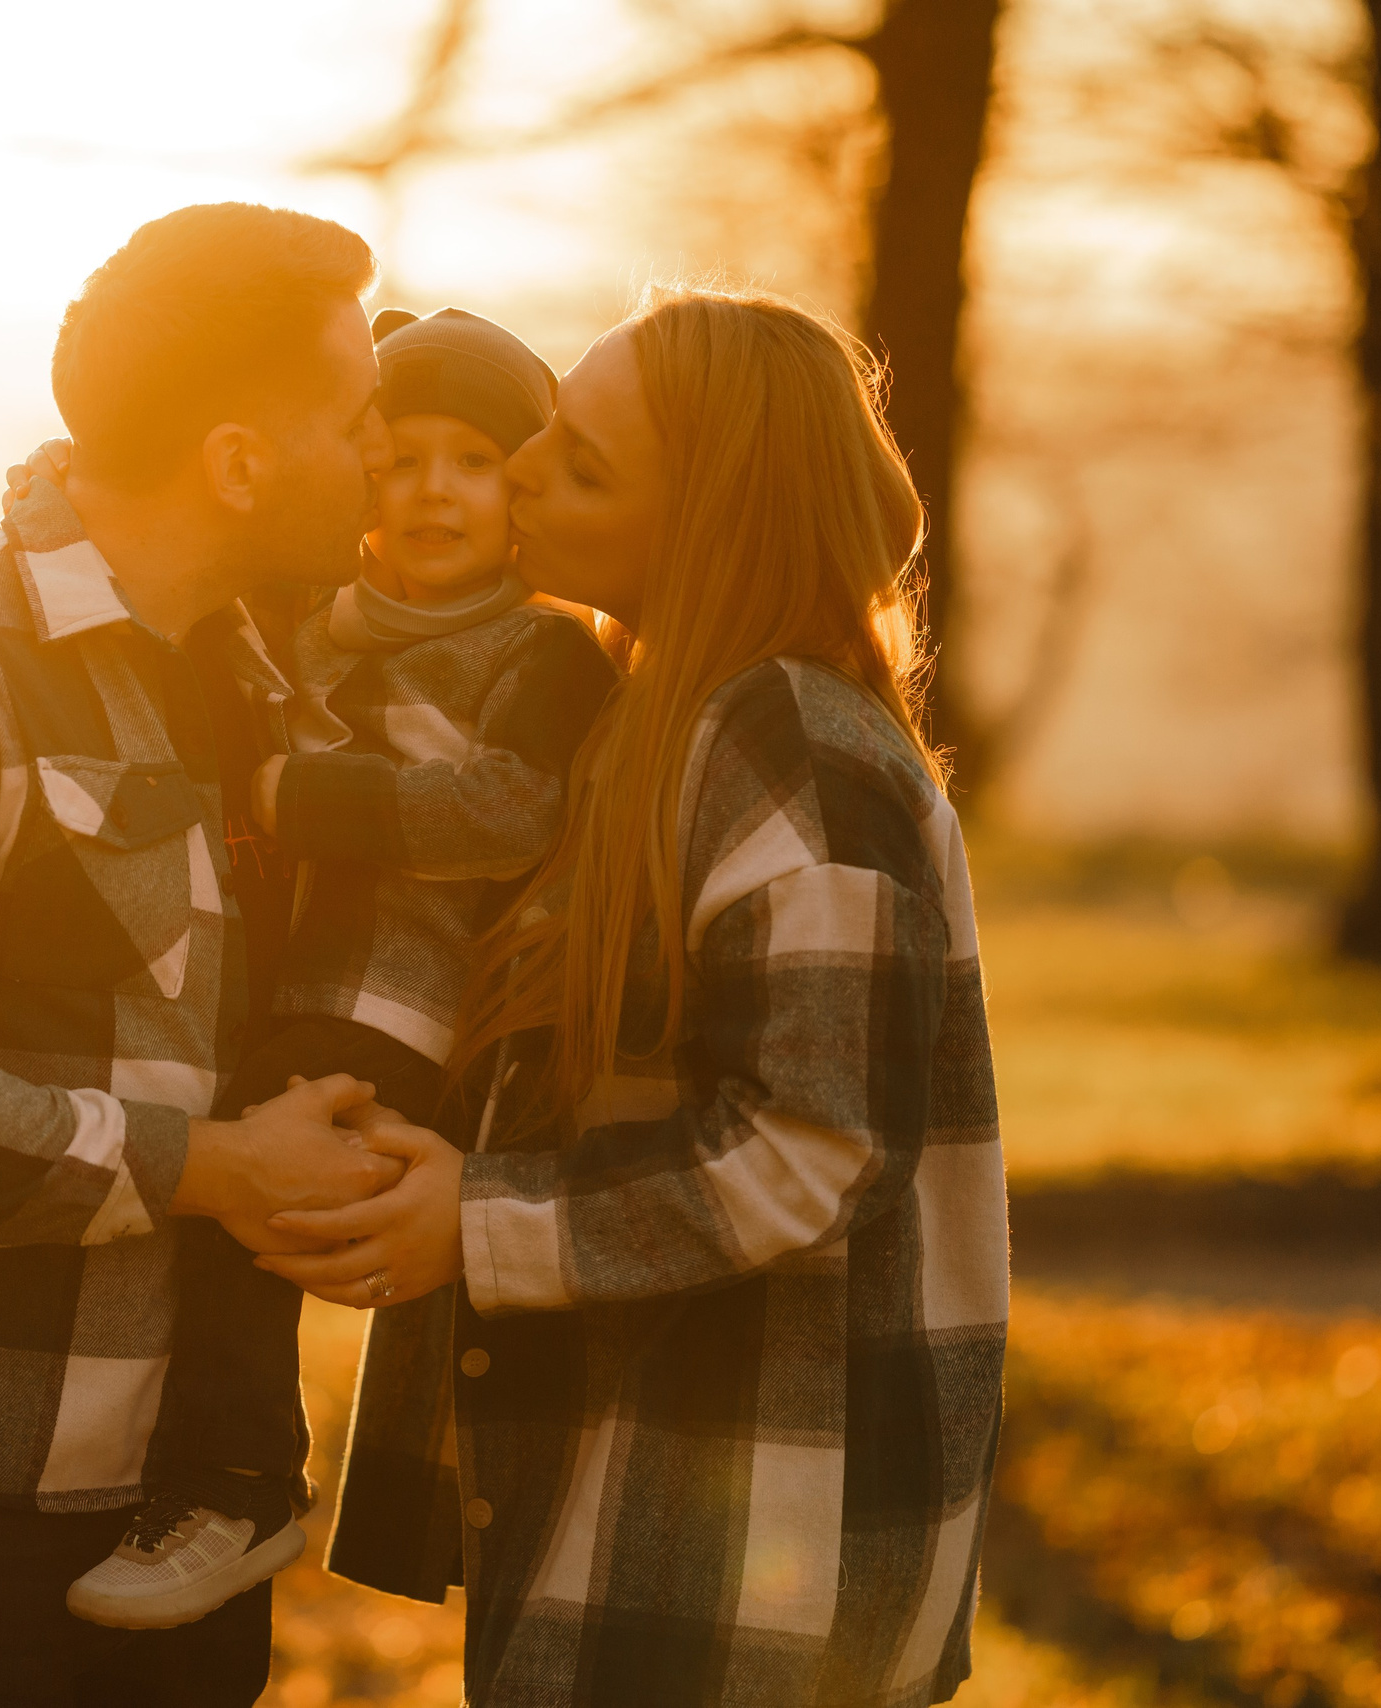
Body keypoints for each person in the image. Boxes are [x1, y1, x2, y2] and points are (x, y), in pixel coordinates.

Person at [262, 286, 1011, 1707]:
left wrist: (473, 1223)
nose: (520, 470)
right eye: (544, 431)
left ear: (710, 528)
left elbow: (817, 1143)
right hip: (644, 1494)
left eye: (581, 463)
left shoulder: (789, 743)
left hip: (750, 1548)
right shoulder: (646, 718)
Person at [0, 201, 406, 1708]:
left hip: (183, 1505)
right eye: (361, 417)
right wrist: (220, 1167)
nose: (383, 453)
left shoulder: (251, 678)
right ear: (238, 460)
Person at [47, 306, 619, 1630]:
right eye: (402, 456)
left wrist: (296, 791)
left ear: (518, 483)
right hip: (281, 984)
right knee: (217, 1191)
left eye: (473, 461)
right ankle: (176, 1462)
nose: (432, 489)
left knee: (255, 1194)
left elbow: (505, 813)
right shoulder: (318, 620)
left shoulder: (540, 652)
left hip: (401, 1001)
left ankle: (240, 1484)